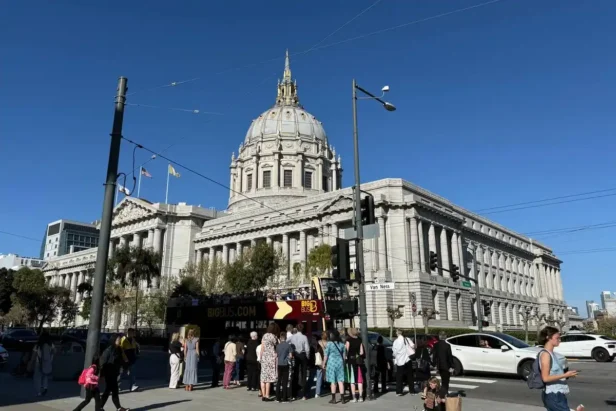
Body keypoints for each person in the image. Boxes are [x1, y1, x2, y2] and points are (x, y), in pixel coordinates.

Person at [538, 326, 583, 411]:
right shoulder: (545, 355)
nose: (559, 340)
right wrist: (565, 375)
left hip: (557, 394)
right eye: (557, 338)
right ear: (548, 338)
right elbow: (545, 378)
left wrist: (567, 374)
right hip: (553, 395)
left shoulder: (552, 354)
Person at [100, 335, 129, 411]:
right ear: (113, 340)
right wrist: (102, 375)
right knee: (111, 390)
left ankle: (117, 408)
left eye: (120, 340)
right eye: (118, 340)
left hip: (115, 373)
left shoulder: (119, 349)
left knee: (111, 390)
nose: (119, 341)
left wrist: (126, 368)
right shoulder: (108, 350)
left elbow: (123, 360)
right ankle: (117, 408)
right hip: (108, 373)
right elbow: (102, 363)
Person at [324, 330, 346, 404]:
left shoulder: (329, 344)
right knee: (340, 381)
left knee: (333, 382)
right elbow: (344, 356)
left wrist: (324, 363)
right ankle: (343, 399)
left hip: (331, 363)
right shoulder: (342, 344)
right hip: (340, 363)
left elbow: (326, 355)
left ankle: (334, 399)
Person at [288, 323, 310, 400]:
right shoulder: (304, 337)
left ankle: (294, 394)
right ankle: (304, 394)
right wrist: (307, 356)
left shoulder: (292, 337)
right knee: (304, 374)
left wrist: (290, 350)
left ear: (296, 329)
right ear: (302, 329)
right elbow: (307, 348)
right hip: (303, 355)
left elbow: (286, 342)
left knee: (295, 374)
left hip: (295, 354)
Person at [260, 322, 280, 401]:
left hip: (264, 357)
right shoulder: (273, 336)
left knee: (263, 377)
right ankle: (267, 395)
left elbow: (262, 347)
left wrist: (260, 357)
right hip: (271, 357)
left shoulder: (264, 336)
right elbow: (277, 345)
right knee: (268, 378)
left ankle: (263, 395)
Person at [345, 327, 366, 402]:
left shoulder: (348, 340)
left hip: (351, 361)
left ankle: (354, 397)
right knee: (359, 380)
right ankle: (360, 397)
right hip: (358, 361)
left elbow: (346, 352)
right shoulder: (359, 340)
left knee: (352, 380)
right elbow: (361, 352)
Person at [392, 329, 415, 396]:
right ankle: (412, 390)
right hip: (407, 358)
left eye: (396, 332)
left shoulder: (396, 341)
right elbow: (413, 346)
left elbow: (394, 351)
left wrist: (395, 356)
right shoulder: (407, 339)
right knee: (410, 375)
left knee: (399, 376)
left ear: (398, 333)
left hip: (400, 360)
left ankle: (399, 391)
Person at [32, 331, 54, 397]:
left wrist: (31, 362)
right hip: (48, 363)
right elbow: (55, 351)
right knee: (45, 376)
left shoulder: (38, 345)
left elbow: (34, 355)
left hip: (38, 363)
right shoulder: (51, 345)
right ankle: (45, 387)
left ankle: (39, 392)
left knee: (38, 378)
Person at [120, 328, 139, 392]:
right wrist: (124, 357)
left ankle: (133, 385)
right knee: (122, 373)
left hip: (132, 358)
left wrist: (136, 355)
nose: (132, 334)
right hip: (125, 358)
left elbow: (134, 349)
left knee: (132, 373)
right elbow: (121, 349)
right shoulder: (123, 339)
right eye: (131, 332)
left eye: (133, 333)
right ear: (127, 332)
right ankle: (117, 385)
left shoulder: (133, 340)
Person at [276, 332, 293, 403]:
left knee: (279, 380)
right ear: (285, 338)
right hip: (285, 364)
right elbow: (291, 356)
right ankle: (284, 398)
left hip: (279, 364)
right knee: (285, 381)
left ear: (280, 338)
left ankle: (278, 397)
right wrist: (288, 358)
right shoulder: (288, 345)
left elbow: (276, 355)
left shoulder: (278, 346)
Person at [314, 332, 328, 398]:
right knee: (327, 374)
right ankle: (329, 387)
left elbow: (316, 350)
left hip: (320, 360)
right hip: (327, 359)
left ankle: (317, 392)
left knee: (319, 376)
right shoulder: (329, 343)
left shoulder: (319, 342)